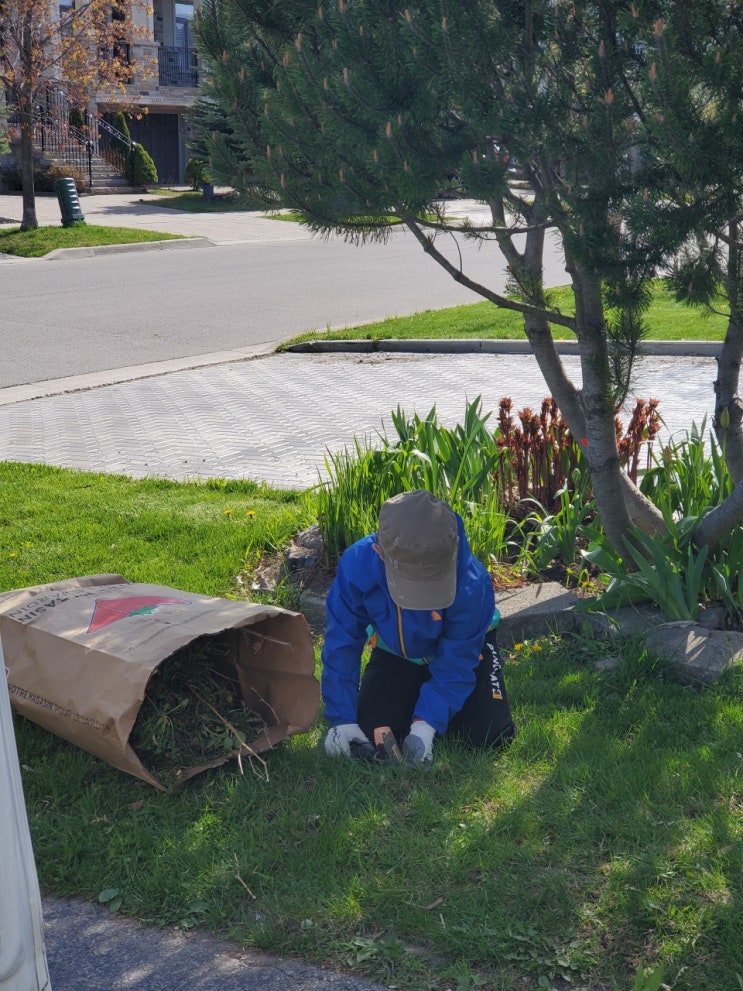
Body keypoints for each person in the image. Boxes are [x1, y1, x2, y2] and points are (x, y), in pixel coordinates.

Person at [321, 489, 515, 769]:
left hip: (469, 651)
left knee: (490, 735)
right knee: (370, 730)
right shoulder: (356, 565)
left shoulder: (473, 583)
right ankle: (427, 702)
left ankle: (438, 707)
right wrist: (342, 718)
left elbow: (458, 658)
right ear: (379, 551)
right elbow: (342, 641)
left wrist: (426, 725)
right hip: (398, 654)